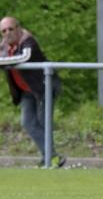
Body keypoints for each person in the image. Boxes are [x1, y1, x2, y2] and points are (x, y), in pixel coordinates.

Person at [0, 16, 65, 168]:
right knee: (28, 122)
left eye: (11, 29)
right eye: (4, 31)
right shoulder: (3, 46)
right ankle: (51, 157)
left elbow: (24, 58)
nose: (8, 33)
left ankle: (50, 158)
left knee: (44, 122)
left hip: (44, 86)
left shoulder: (28, 41)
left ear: (18, 28)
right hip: (26, 91)